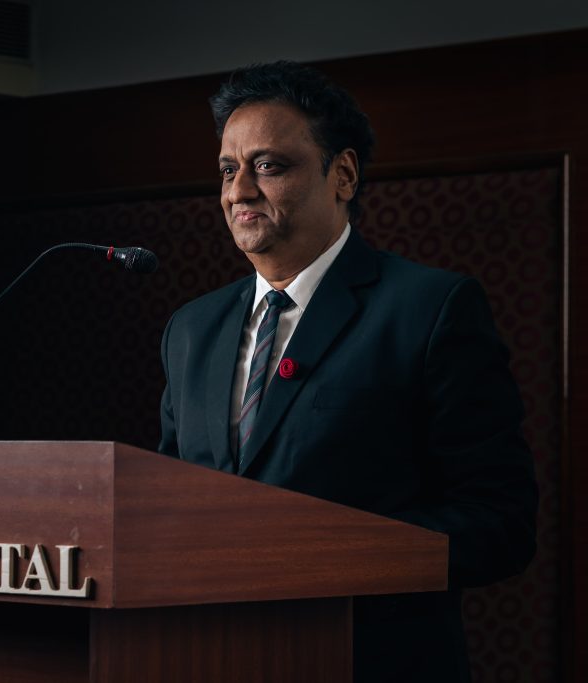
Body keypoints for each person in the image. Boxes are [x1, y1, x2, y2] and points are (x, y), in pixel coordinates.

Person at [157, 61, 538, 683]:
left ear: (343, 175)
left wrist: (319, 557)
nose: (238, 191)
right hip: (208, 657)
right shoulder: (190, 329)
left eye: (268, 166)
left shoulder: (430, 309)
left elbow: (501, 524)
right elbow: (166, 506)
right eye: (228, 169)